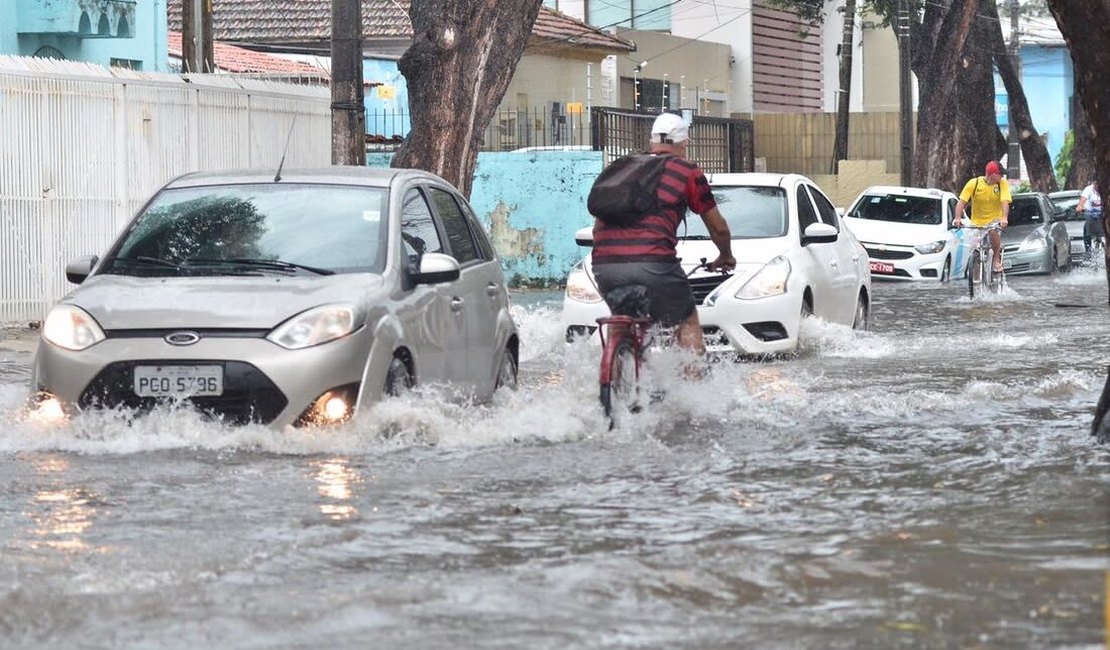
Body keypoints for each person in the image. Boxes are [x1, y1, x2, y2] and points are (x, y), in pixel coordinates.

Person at [591, 112, 736, 363]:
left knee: (621, 322)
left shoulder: (623, 169)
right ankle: (692, 392)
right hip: (655, 264)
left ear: (652, 142)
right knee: (686, 321)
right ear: (684, 143)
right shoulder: (687, 170)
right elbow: (719, 229)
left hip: (605, 266)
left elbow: (598, 226)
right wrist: (725, 255)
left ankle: (613, 382)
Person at [954, 160, 1011, 273]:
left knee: (992, 231)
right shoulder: (973, 184)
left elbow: (1005, 201)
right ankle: (974, 269)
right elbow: (961, 202)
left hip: (994, 221)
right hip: (977, 223)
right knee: (973, 247)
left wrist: (1004, 218)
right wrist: (958, 218)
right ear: (994, 175)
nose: (1002, 176)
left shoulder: (1002, 183)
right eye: (1001, 174)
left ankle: (996, 258)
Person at [1076, 179, 1103, 254]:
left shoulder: (1106, 188)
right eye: (1096, 184)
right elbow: (1081, 202)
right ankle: (1088, 252)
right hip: (1092, 215)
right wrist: (1080, 207)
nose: (1098, 185)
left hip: (1104, 214)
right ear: (1094, 182)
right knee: (1087, 228)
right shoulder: (1088, 189)